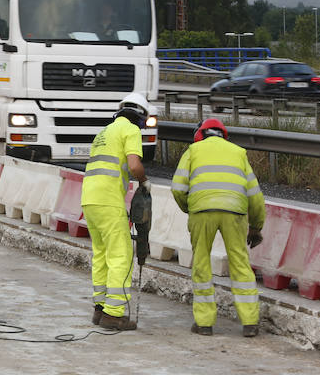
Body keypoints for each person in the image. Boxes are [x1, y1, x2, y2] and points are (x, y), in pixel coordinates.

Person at [171, 118, 265, 338]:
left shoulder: (193, 151)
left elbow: (177, 188)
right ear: (224, 135)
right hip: (236, 212)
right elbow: (255, 196)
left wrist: (190, 208)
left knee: (202, 263)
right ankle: (250, 322)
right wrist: (256, 226)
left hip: (201, 212)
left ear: (201, 135)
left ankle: (204, 323)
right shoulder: (239, 153)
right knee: (240, 264)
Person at [81, 93, 153, 330]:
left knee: (101, 254)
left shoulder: (104, 132)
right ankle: (113, 314)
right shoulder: (130, 130)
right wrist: (143, 181)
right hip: (109, 201)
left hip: (89, 199)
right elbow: (134, 165)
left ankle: (99, 309)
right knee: (121, 255)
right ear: (140, 118)